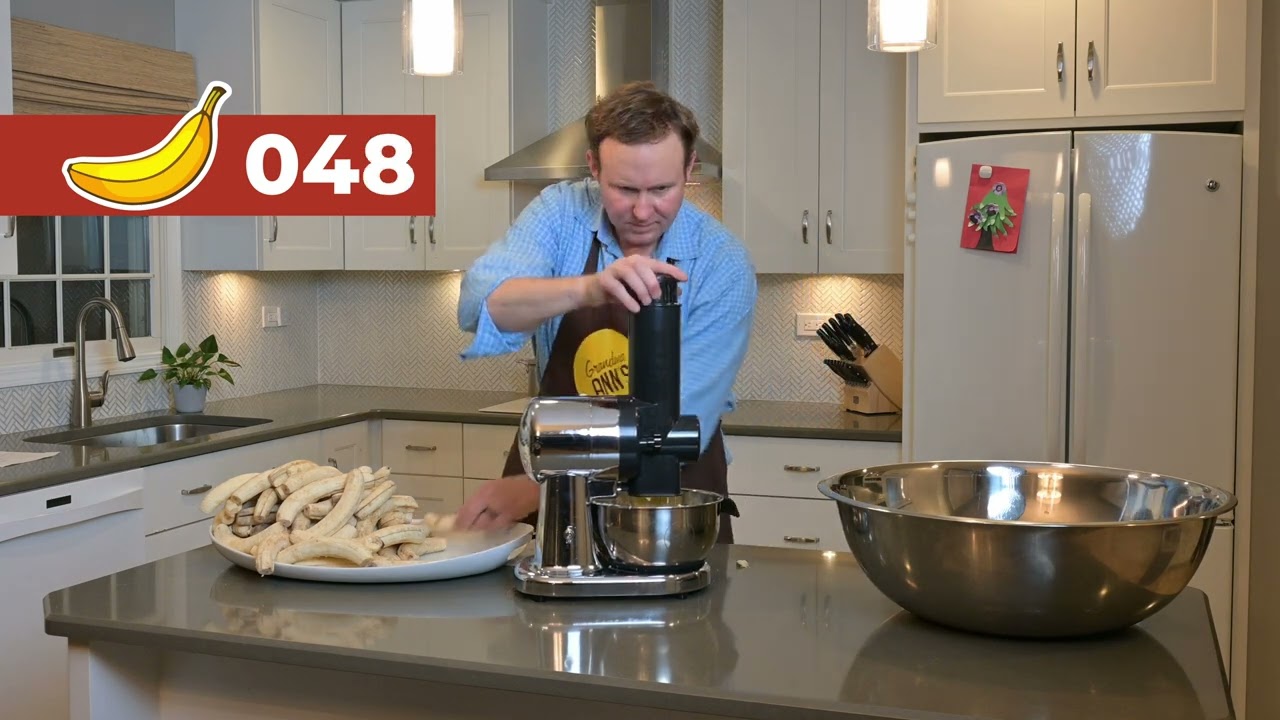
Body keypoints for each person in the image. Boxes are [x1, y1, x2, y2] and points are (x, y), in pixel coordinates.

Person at [454, 81, 757, 542]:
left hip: (670, 503)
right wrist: (588, 289)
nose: (641, 211)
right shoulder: (560, 213)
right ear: (593, 167)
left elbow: (677, 424)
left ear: (690, 168)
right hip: (558, 503)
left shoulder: (721, 262)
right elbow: (483, 305)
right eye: (623, 189)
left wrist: (539, 487)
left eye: (662, 189)